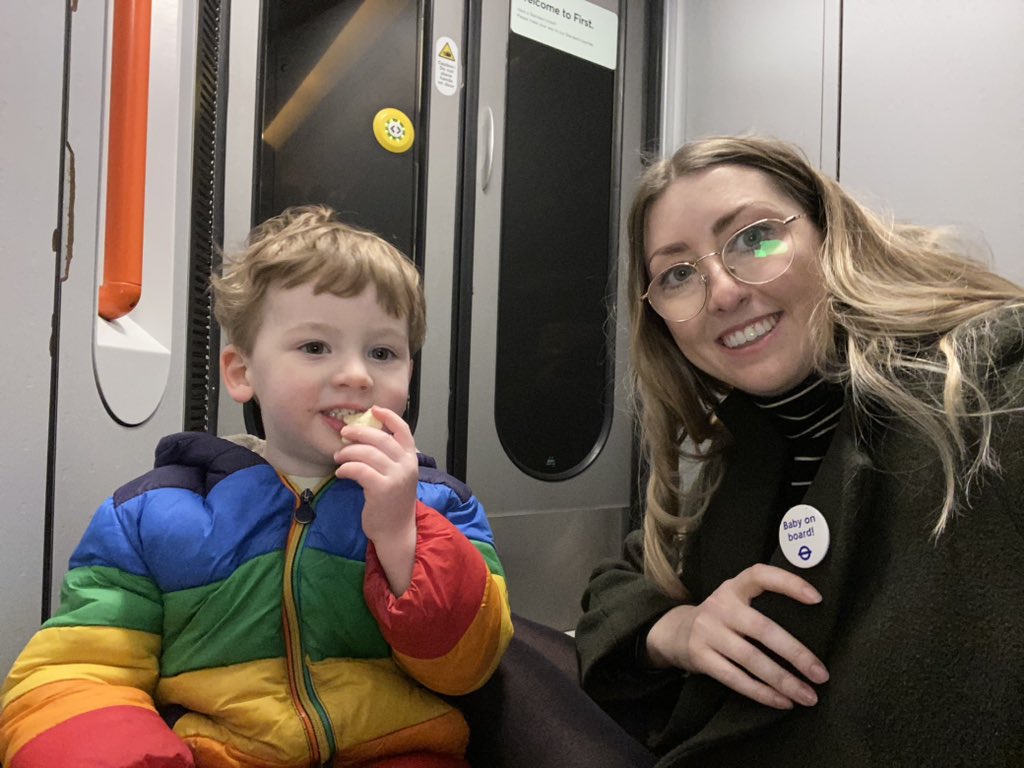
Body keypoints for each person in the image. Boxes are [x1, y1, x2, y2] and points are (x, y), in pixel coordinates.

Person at [0, 205, 514, 768]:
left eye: (383, 353)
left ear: (409, 376)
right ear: (242, 373)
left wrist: (400, 534)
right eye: (316, 347)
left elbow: (468, 667)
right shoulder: (154, 513)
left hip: (397, 748)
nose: (358, 375)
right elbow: (80, 669)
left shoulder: (442, 505)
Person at [575, 135, 1024, 766]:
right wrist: (676, 630)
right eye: (678, 274)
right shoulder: (742, 450)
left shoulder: (986, 390)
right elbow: (617, 584)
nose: (724, 292)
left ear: (828, 232)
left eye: (754, 238)